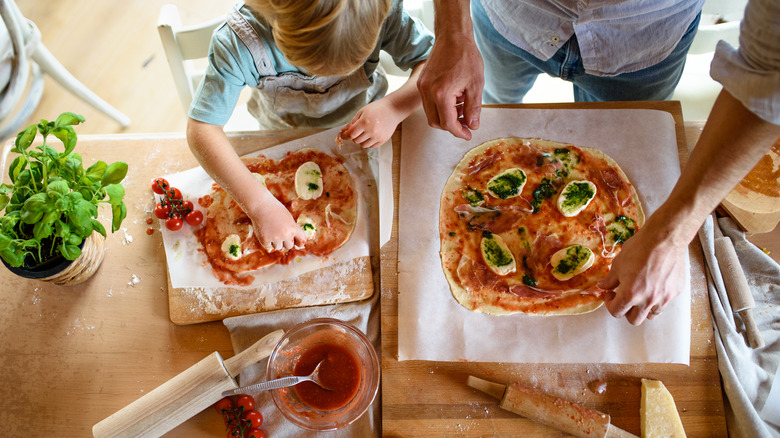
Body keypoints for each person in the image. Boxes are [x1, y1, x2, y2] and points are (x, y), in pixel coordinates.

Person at [418, 0, 780, 325]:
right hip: (510, 19)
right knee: (495, 105)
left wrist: (672, 236)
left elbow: (768, 78)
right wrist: (453, 31)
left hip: (644, 40)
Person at [187, 0, 433, 251]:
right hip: (281, 131)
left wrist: (395, 107)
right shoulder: (238, 44)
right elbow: (202, 130)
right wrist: (259, 204)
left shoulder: (381, 8)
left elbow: (432, 62)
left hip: (370, 126)